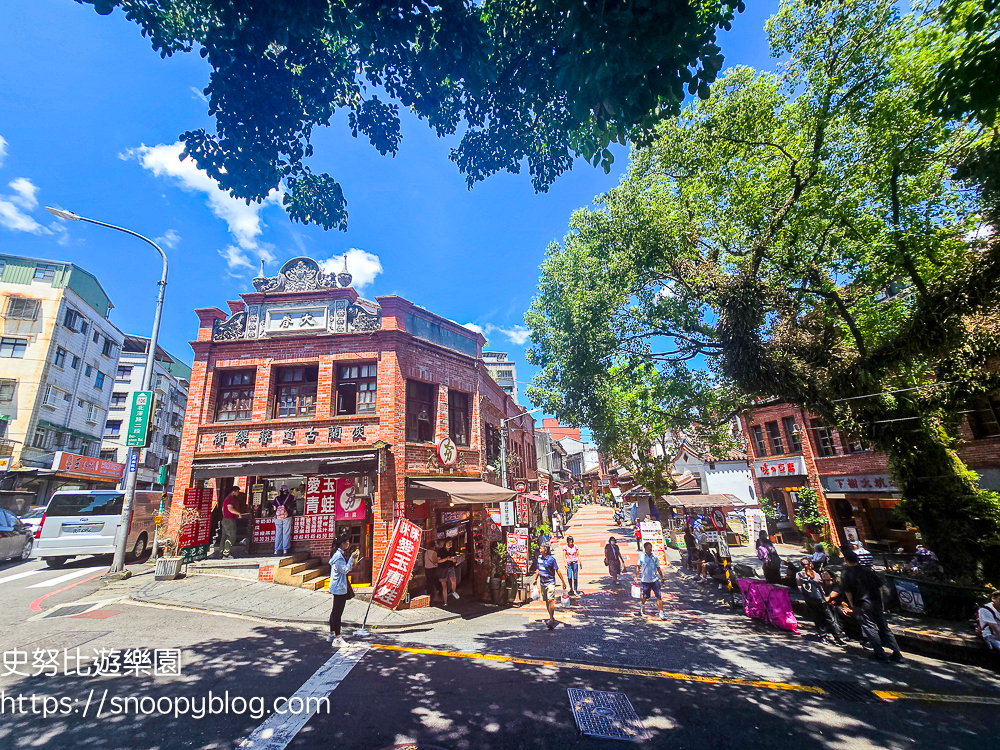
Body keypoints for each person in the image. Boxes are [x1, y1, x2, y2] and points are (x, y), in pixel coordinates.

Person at [841, 547, 902, 662]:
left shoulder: (846, 573)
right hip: (876, 602)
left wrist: (853, 605)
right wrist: (881, 602)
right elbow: (879, 587)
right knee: (884, 627)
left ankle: (879, 652)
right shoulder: (867, 570)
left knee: (869, 627)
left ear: (846, 560)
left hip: (862, 604)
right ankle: (896, 652)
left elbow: (848, 592)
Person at [797, 557, 846, 645]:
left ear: (801, 565)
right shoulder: (815, 574)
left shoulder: (799, 575)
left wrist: (808, 595)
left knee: (817, 618)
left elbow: (800, 587)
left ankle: (823, 636)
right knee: (829, 618)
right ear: (810, 564)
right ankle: (837, 637)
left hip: (810, 600)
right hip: (821, 600)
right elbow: (820, 585)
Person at [327, 533, 359, 647]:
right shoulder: (338, 556)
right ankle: (338, 637)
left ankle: (332, 633)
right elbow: (345, 570)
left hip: (337, 586)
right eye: (347, 542)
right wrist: (351, 559)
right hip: (339, 587)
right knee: (337, 613)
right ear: (342, 544)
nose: (348, 544)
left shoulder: (337, 555)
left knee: (335, 611)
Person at [531, 543, 568, 630]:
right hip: (542, 582)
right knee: (547, 601)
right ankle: (551, 616)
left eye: (541, 548)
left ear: (545, 550)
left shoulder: (552, 560)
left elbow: (557, 570)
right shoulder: (539, 558)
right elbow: (538, 569)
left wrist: (563, 582)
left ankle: (551, 619)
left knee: (550, 599)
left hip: (550, 582)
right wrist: (535, 578)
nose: (540, 549)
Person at [637, 541, 667, 620]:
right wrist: (635, 575)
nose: (650, 549)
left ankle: (661, 612)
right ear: (645, 549)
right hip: (645, 580)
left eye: (651, 547)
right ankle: (642, 605)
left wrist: (662, 577)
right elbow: (638, 566)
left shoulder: (655, 557)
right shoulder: (641, 556)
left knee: (659, 596)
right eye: (648, 548)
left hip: (654, 580)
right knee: (646, 596)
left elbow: (658, 568)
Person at [216, 486, 245, 559]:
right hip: (229, 520)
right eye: (237, 492)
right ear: (233, 492)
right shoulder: (230, 499)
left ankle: (221, 553)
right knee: (232, 537)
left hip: (225, 519)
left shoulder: (227, 499)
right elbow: (230, 508)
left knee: (224, 537)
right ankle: (226, 553)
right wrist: (238, 513)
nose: (238, 493)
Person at [271, 485, 296, 556]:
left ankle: (276, 549)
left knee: (278, 533)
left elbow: (274, 508)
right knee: (286, 533)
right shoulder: (290, 497)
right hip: (287, 516)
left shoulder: (277, 498)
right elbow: (294, 504)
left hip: (278, 518)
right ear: (287, 490)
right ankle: (285, 549)